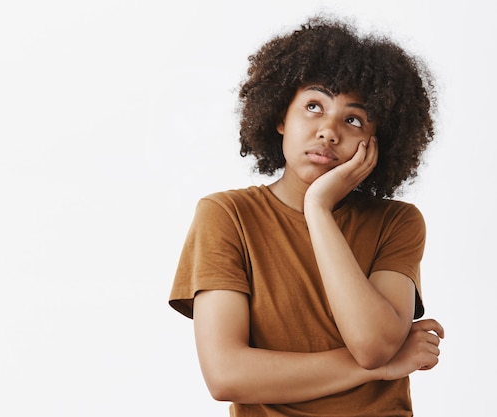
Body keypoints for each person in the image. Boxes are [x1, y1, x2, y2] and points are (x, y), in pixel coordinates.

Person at [168, 15, 445, 417]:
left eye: (353, 119)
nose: (328, 131)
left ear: (376, 141)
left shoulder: (397, 223)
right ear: (280, 116)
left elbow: (372, 345)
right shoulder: (226, 215)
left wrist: (317, 208)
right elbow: (226, 375)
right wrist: (382, 368)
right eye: (313, 106)